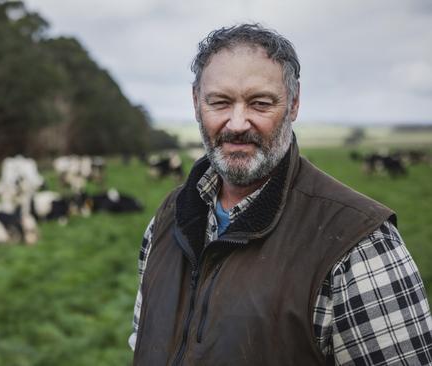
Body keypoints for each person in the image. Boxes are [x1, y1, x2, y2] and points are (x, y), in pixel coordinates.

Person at [130, 23, 432, 365]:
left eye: (260, 103)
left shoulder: (359, 244)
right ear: (196, 103)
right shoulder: (166, 221)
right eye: (220, 102)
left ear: (294, 104)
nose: (238, 123)